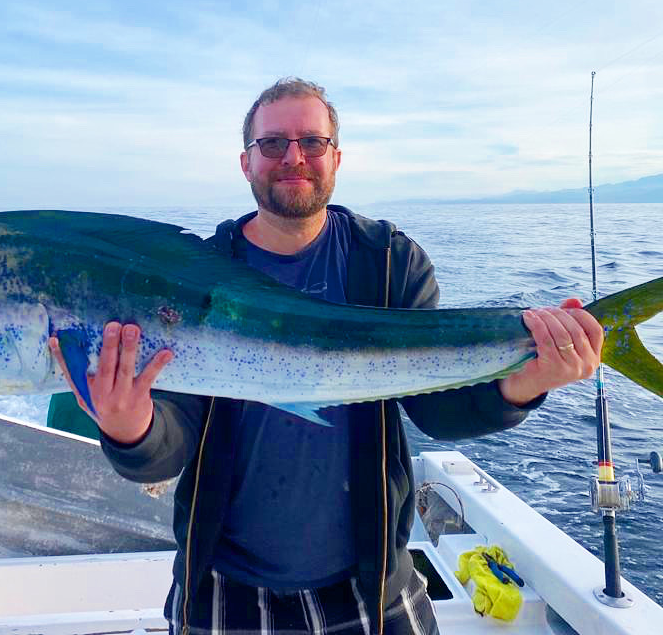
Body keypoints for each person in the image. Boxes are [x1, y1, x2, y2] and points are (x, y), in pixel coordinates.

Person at [49, 78, 604, 635]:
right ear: (246, 163)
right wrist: (130, 427)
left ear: (336, 157)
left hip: (371, 586)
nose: (293, 157)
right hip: (222, 591)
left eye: (311, 142)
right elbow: (169, 448)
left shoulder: (388, 262)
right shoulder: (191, 274)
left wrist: (524, 384)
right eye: (272, 144)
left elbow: (435, 410)